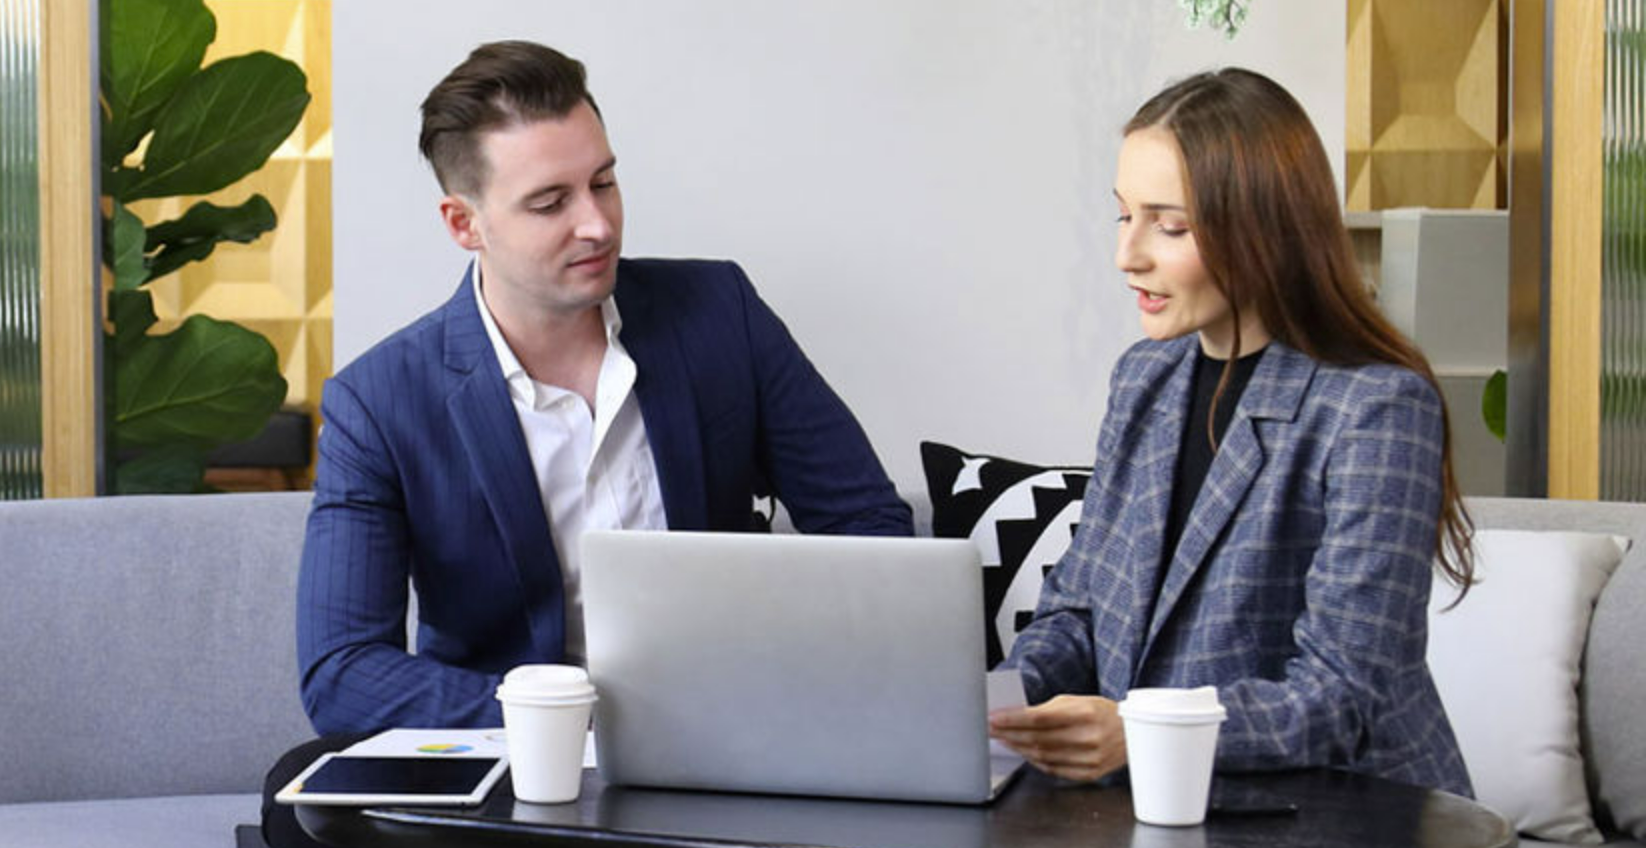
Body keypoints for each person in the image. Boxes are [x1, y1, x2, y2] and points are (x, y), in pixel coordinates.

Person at [296, 39, 911, 733]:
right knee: (296, 803)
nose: (597, 224)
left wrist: (778, 675)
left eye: (604, 182)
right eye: (550, 202)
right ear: (465, 224)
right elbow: (341, 671)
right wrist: (574, 719)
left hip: (731, 732)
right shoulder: (378, 404)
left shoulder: (720, 314)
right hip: (516, 757)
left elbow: (868, 527)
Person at [987, 68, 1475, 798]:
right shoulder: (1143, 379)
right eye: (1124, 215)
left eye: (1170, 225)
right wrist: (998, 701)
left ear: (1264, 229)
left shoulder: (1376, 408)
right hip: (1165, 808)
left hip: (1346, 814)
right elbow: (1081, 611)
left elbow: (1342, 697)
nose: (1129, 254)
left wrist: (1136, 730)